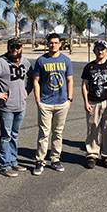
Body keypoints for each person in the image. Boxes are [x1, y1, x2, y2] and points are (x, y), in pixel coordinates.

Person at [0, 37, 33, 177]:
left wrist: (28, 90)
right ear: (8, 48)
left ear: (21, 48)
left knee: (14, 135)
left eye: (17, 47)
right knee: (6, 136)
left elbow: (32, 77)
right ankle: (5, 165)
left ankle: (13, 161)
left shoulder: (25, 62)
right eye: (12, 47)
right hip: (6, 107)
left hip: (21, 105)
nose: (15, 50)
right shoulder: (1, 62)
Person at [32, 33, 74, 176]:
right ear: (47, 44)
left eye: (56, 43)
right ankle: (40, 161)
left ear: (60, 44)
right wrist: (38, 99)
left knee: (58, 133)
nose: (53, 45)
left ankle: (55, 159)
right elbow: (36, 81)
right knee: (44, 133)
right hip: (46, 103)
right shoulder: (41, 60)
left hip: (62, 102)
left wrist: (69, 99)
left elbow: (70, 80)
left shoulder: (66, 60)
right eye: (51, 43)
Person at [81, 40, 107, 169]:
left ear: (106, 51)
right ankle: (92, 154)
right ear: (94, 51)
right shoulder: (89, 67)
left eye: (103, 49)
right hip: (93, 101)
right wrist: (86, 101)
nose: (100, 51)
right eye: (98, 49)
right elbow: (84, 85)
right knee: (93, 128)